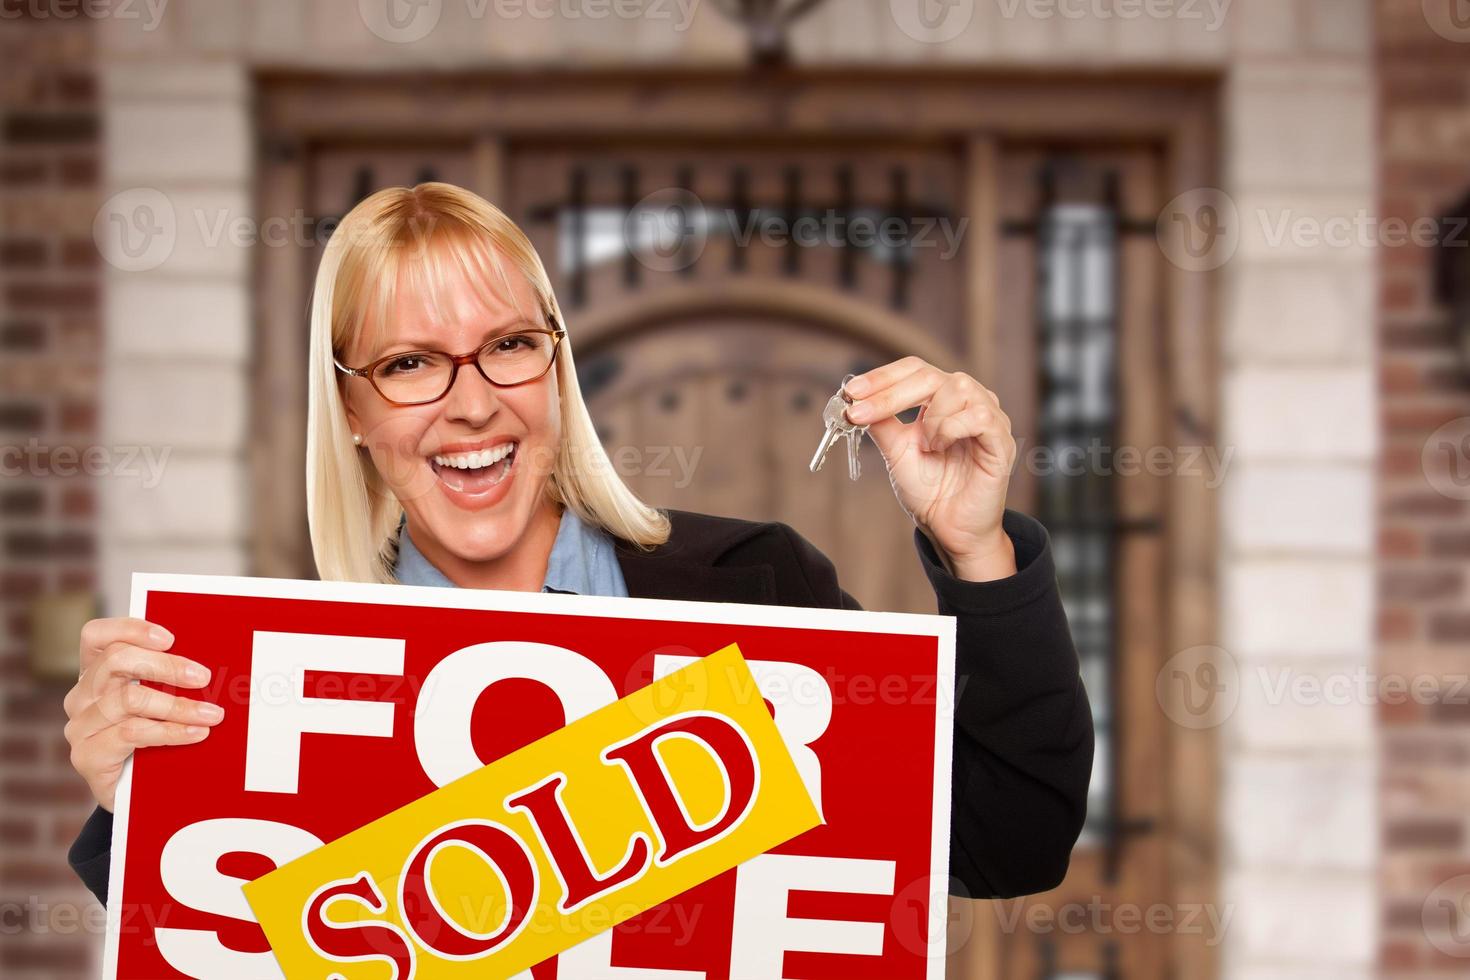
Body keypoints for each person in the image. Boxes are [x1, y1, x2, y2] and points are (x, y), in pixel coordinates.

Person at [64, 183, 1093, 908]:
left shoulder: (756, 587)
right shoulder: (273, 695)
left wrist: (976, 549)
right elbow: (234, 938)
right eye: (412, 361)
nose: (473, 404)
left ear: (556, 368)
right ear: (352, 412)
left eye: (510, 345)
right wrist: (142, 804)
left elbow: (1012, 837)